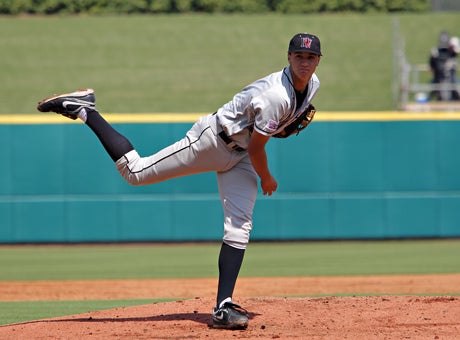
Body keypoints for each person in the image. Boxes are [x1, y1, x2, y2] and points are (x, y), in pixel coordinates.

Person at [37, 32, 322, 330]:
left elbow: (260, 138)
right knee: (135, 172)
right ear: (288, 57)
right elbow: (257, 147)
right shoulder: (276, 95)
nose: (304, 62)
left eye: (310, 57)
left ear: (318, 60)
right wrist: (267, 178)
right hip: (214, 141)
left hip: (242, 154)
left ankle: (223, 306)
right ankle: (85, 109)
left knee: (240, 225)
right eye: (299, 56)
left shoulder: (312, 85)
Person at [429, 31, 459, 101]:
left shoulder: (453, 55)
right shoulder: (436, 52)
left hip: (449, 80)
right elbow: (432, 66)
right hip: (440, 79)